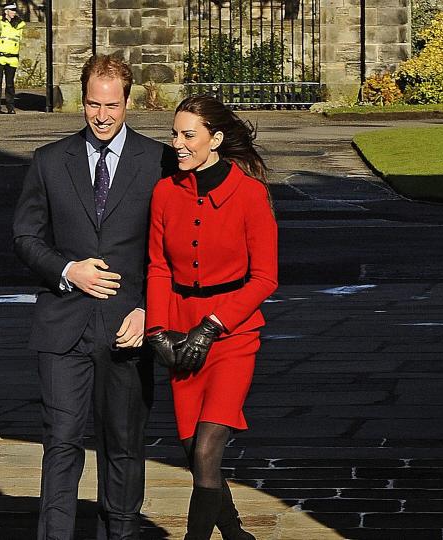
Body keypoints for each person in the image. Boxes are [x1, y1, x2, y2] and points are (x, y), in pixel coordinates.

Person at [13, 54, 176, 540]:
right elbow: (25, 237)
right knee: (61, 443)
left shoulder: (159, 162)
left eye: (111, 105)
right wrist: (68, 270)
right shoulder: (48, 162)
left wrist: (149, 308)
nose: (101, 116)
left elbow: (172, 247)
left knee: (123, 446)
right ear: (80, 100)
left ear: (129, 102)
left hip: (128, 327)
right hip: (63, 327)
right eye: (91, 104)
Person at [144, 95, 278, 540]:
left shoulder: (251, 194)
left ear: (215, 139)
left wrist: (213, 325)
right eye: (174, 134)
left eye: (188, 135)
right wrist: (158, 330)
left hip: (233, 335)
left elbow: (264, 279)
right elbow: (159, 266)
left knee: (206, 450)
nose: (177, 144)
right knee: (192, 451)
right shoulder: (165, 191)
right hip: (180, 330)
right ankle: (236, 534)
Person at [0, 2, 25, 114]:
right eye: (12, 10)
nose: (14, 13)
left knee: (10, 84)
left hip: (12, 58)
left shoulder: (18, 24)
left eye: (15, 10)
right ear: (6, 11)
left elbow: (19, 39)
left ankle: (10, 107)